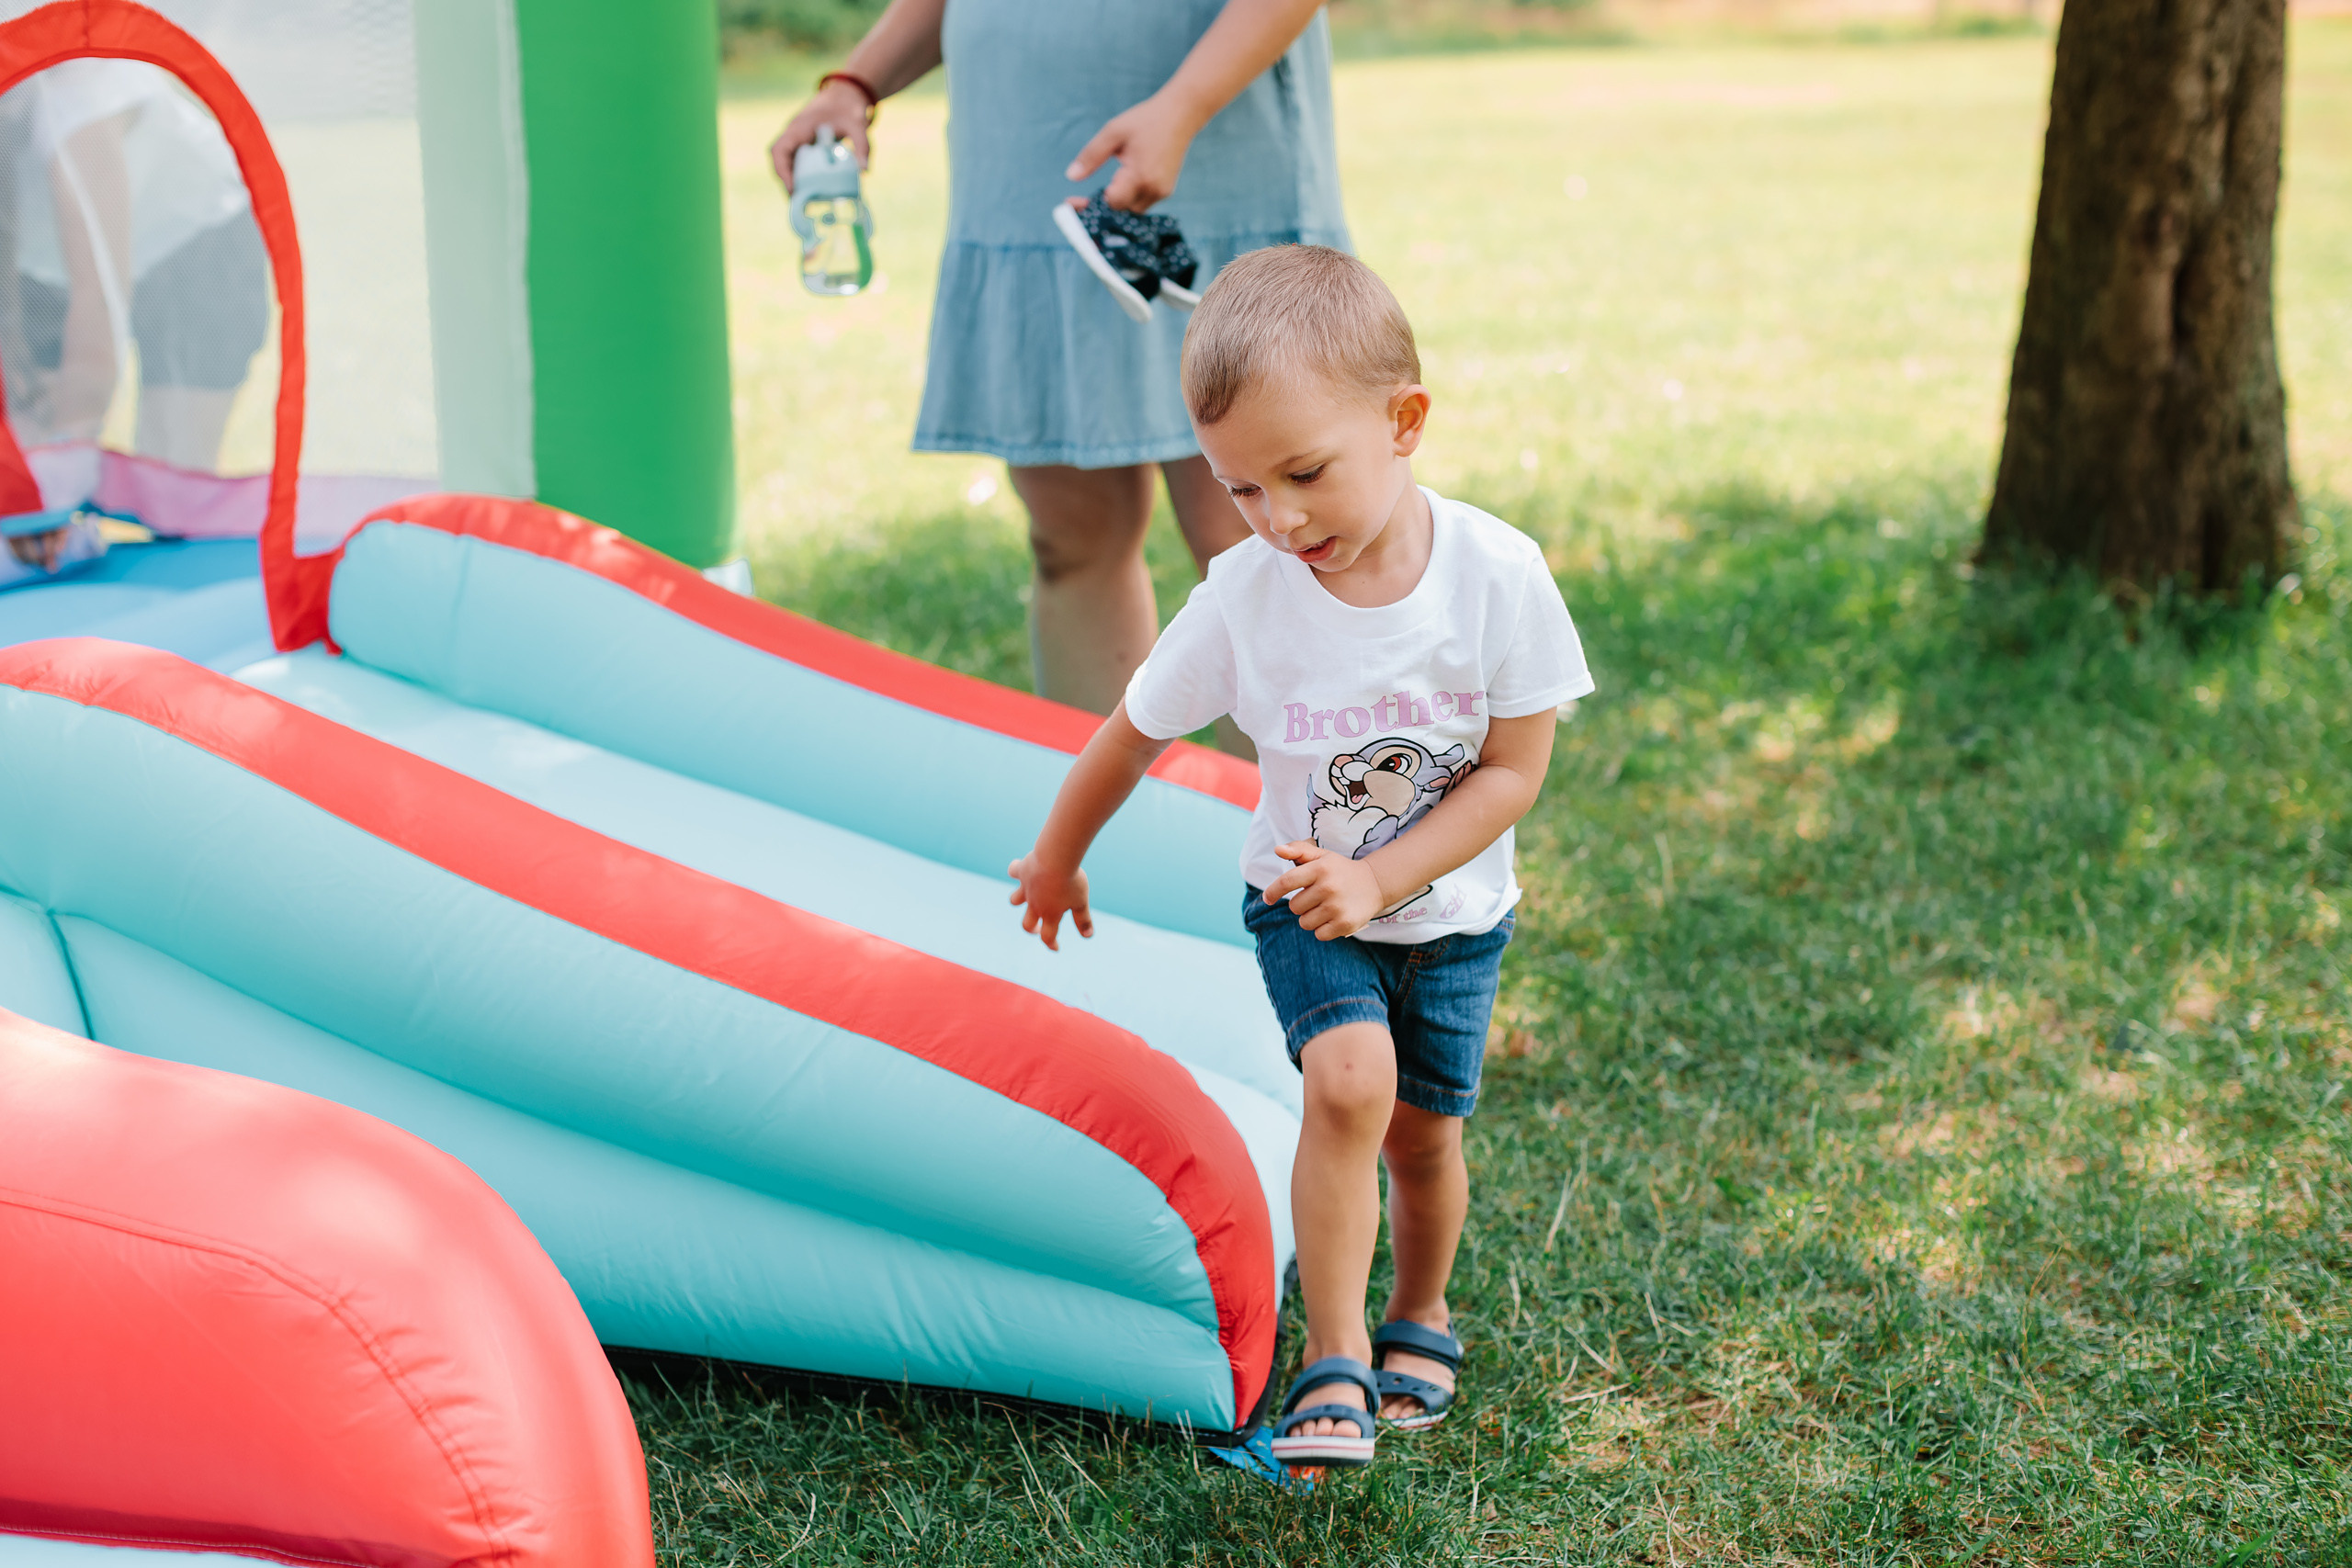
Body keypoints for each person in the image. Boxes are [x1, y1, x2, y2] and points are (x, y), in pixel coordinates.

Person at [1005, 247, 1594, 1471]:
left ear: (1405, 422)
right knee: (1347, 1084)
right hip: (1302, 902)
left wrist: (1386, 875)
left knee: (1425, 1136)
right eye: (1240, 489)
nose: (1278, 519)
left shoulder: (1496, 577)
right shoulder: (1244, 595)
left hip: (1454, 917)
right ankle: (1332, 1359)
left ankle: (1418, 1310)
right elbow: (1131, 734)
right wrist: (1058, 857)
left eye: (1304, 474)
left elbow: (1511, 773)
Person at [769, 0, 1350, 746]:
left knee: (1256, 535)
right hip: (1025, 166)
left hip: (1213, 142)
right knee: (1071, 532)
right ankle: (1099, 841)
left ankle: (1303, 844)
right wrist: (855, 81)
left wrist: (1183, 105)